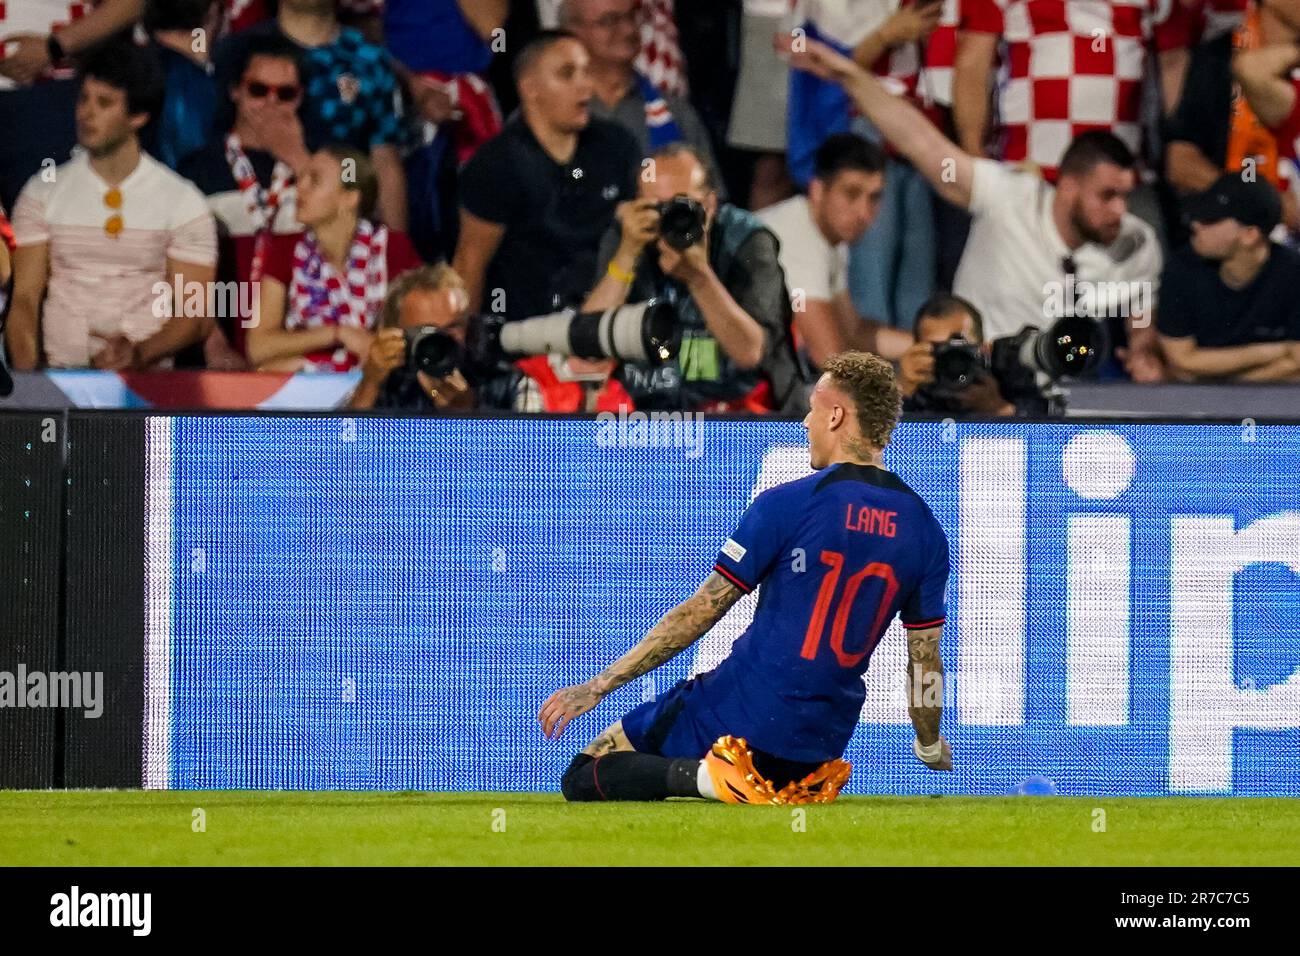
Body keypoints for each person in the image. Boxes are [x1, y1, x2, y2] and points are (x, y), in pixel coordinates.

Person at [539, 350, 951, 804]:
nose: (805, 423)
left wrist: (597, 686)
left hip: (741, 716)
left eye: (812, 408)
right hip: (821, 745)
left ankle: (713, 778)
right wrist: (928, 742)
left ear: (836, 415)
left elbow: (701, 611)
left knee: (584, 774)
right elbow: (924, 659)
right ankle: (782, 782)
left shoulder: (789, 503)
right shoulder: (925, 529)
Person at [791, 38, 1165, 382]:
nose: (1120, 210)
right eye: (1107, 196)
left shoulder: (1136, 241)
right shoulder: (1008, 195)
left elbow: (1140, 326)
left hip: (1071, 390)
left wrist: (1144, 354)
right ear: (1067, 187)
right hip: (980, 385)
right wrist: (852, 77)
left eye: (1125, 196)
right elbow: (922, 143)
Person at [5, 40, 218, 370]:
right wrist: (32, 387)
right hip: (62, 379)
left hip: (147, 389)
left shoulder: (182, 201)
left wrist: (139, 354)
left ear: (138, 116)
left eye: (104, 103)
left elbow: (196, 316)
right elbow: (24, 299)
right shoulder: (42, 192)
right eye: (84, 99)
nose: (86, 113)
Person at [586, 143, 805, 412]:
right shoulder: (627, 236)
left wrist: (699, 278)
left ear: (710, 205)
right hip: (649, 418)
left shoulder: (746, 240)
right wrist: (626, 255)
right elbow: (588, 349)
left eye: (681, 206)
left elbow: (751, 353)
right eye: (655, 206)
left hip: (740, 420)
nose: (667, 219)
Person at [453, 31, 642, 322]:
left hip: (613, 321)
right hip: (527, 337)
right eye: (567, 74)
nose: (585, 86)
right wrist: (463, 348)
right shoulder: (495, 165)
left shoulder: (617, 146)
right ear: (530, 88)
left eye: (585, 72)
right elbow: (470, 264)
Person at [212, 0, 409, 230]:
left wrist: (396, 249)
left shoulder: (369, 60)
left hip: (341, 227)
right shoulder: (236, 52)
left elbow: (384, 159)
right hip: (241, 212)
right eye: (259, 90)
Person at [246, 145, 423, 372]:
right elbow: (258, 348)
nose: (300, 187)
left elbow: (417, 332)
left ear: (349, 197)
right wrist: (339, 333)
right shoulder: (285, 250)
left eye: (315, 180)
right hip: (307, 387)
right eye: (301, 178)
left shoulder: (393, 249)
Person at [759, 132, 912, 372]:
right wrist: (904, 387)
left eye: (874, 197)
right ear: (818, 191)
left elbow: (854, 331)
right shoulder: (795, 235)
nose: (864, 212)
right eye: (851, 194)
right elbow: (829, 358)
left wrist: (928, 348)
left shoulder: (834, 237)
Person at [1157, 175, 1300, 382]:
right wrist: (1270, 352)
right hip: (1196, 403)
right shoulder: (1181, 267)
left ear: (1249, 235)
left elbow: (1297, 364)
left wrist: (1229, 388)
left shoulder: (1294, 274)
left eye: (1211, 219)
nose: (1196, 224)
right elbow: (1181, 360)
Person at [559, 0, 719, 183]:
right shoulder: (556, 112)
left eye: (632, 16)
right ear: (572, 31)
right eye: (610, 20)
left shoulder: (676, 113)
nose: (628, 29)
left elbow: (710, 198)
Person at [348, 263, 477, 410]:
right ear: (396, 334)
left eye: (452, 328)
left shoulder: (495, 382)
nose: (440, 341)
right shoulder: (388, 385)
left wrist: (468, 414)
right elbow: (346, 432)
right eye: (427, 332)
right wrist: (370, 384)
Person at [897, 293, 1015, 415]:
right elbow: (884, 430)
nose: (951, 360)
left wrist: (996, 409)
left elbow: (1031, 429)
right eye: (937, 349)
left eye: (959, 347)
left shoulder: (1006, 383)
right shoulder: (912, 393)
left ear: (984, 349)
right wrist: (901, 393)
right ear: (917, 350)